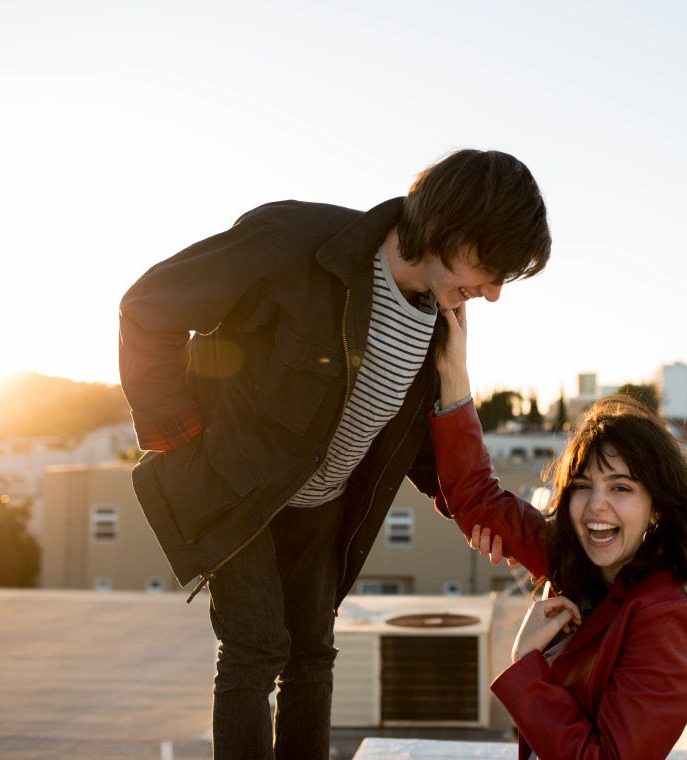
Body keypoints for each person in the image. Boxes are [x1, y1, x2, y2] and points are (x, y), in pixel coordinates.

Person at [117, 148, 550, 760]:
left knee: (312, 652)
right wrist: (180, 442)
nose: (495, 294)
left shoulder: (439, 322)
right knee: (256, 645)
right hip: (239, 488)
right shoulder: (293, 242)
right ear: (453, 226)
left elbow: (429, 459)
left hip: (322, 507)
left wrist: (520, 533)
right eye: (492, 268)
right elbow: (149, 306)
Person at [430, 304, 687, 760]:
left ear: (657, 506)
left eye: (621, 488)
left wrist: (525, 663)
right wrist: (453, 371)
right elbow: (477, 498)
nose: (595, 505)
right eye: (583, 487)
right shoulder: (573, 557)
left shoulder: (665, 620)